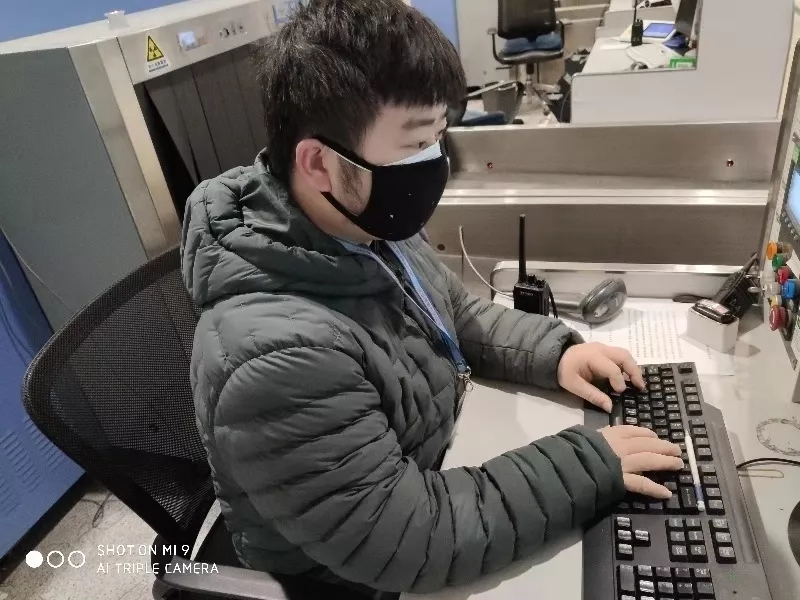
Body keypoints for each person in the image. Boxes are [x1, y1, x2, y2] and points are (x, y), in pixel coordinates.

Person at [180, 0, 683, 595]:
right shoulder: (276, 354)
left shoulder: (360, 227)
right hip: (353, 573)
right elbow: (411, 537)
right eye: (417, 142)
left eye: (439, 138)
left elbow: (451, 310)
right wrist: (585, 465)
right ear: (318, 163)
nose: (434, 163)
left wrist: (554, 353)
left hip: (438, 460)